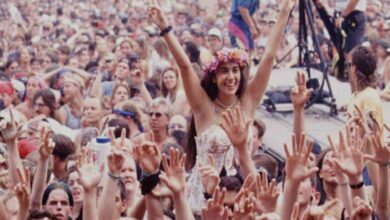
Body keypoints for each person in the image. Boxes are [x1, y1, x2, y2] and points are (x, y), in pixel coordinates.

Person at [148, 0, 295, 213]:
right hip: (204, 201)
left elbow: (269, 58)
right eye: (224, 71)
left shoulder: (248, 101)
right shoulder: (203, 107)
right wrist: (165, 27)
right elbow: (185, 66)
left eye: (235, 70)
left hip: (243, 195)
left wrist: (284, 12)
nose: (231, 76)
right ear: (214, 77)